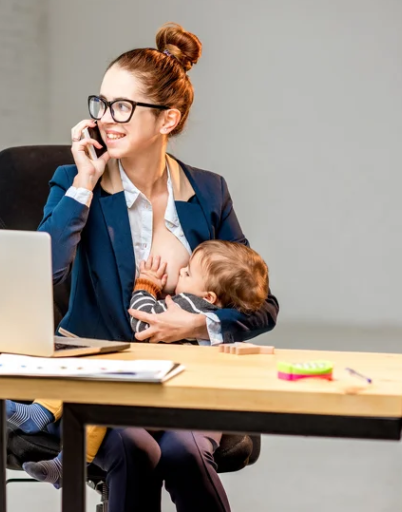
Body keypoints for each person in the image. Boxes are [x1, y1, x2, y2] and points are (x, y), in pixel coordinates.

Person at [36, 21, 279, 512]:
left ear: (167, 120)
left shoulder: (207, 192)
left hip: (185, 376)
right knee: (133, 444)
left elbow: (262, 304)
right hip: (100, 378)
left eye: (122, 106)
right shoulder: (73, 181)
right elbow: (40, 274)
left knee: (185, 450)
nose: (106, 118)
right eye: (101, 104)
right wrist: (85, 184)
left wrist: (199, 321)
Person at [8, 240, 270, 488]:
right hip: (168, 390)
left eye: (188, 273)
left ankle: (51, 432)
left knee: (95, 393)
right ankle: (48, 429)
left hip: (158, 393)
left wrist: (145, 286)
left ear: (210, 296)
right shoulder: (211, 313)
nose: (181, 271)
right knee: (94, 388)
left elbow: (143, 319)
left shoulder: (189, 305)